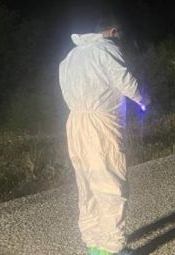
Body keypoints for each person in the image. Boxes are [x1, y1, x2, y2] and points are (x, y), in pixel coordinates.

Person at [59, 16, 149, 255]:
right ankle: (113, 247)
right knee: (110, 182)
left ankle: (93, 242)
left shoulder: (71, 56)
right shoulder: (106, 50)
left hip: (75, 122)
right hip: (101, 124)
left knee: (87, 184)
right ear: (114, 31)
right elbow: (126, 82)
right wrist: (145, 100)